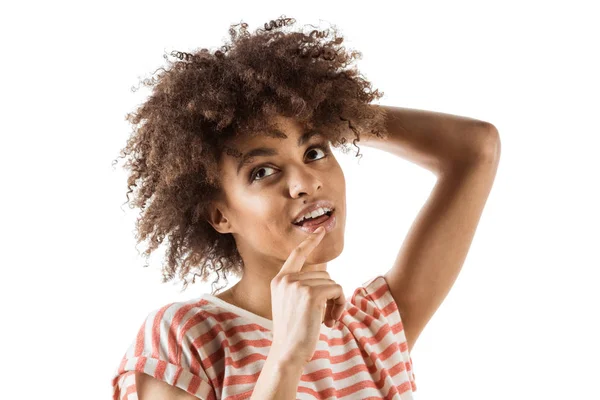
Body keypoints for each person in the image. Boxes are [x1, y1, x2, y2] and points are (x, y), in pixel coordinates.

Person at [111, 15, 417, 399]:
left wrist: (335, 112)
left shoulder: (372, 328)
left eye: (315, 151)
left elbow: (477, 148)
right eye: (263, 171)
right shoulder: (185, 337)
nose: (306, 182)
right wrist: (286, 357)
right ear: (220, 215)